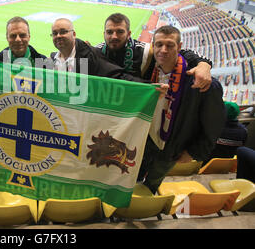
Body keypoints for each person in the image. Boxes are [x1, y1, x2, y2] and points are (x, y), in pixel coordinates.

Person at [137, 25, 226, 194]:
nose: (163, 50)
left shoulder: (203, 84)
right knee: (134, 177)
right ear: (152, 46)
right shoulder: (147, 71)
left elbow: (213, 124)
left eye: (170, 45)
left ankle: (145, 205)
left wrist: (194, 152)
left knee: (152, 182)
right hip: (145, 141)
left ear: (179, 46)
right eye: (159, 44)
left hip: (172, 147)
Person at [95, 13, 214, 92]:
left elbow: (177, 52)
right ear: (104, 34)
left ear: (129, 34)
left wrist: (203, 63)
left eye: (120, 32)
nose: (114, 36)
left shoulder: (145, 51)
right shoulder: (96, 52)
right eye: (109, 32)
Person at [49, 18, 150, 82]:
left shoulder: (91, 55)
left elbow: (118, 77)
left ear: (74, 34)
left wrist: (150, 87)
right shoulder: (52, 59)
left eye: (63, 32)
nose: (58, 36)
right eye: (54, 33)